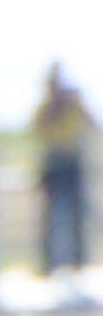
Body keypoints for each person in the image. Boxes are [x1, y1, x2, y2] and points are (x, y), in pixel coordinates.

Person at [42, 65, 95, 281]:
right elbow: (39, 130)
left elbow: (91, 124)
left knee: (76, 216)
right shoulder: (45, 109)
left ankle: (77, 264)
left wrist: (77, 103)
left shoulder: (74, 107)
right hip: (54, 165)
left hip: (72, 164)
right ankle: (49, 265)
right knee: (51, 218)